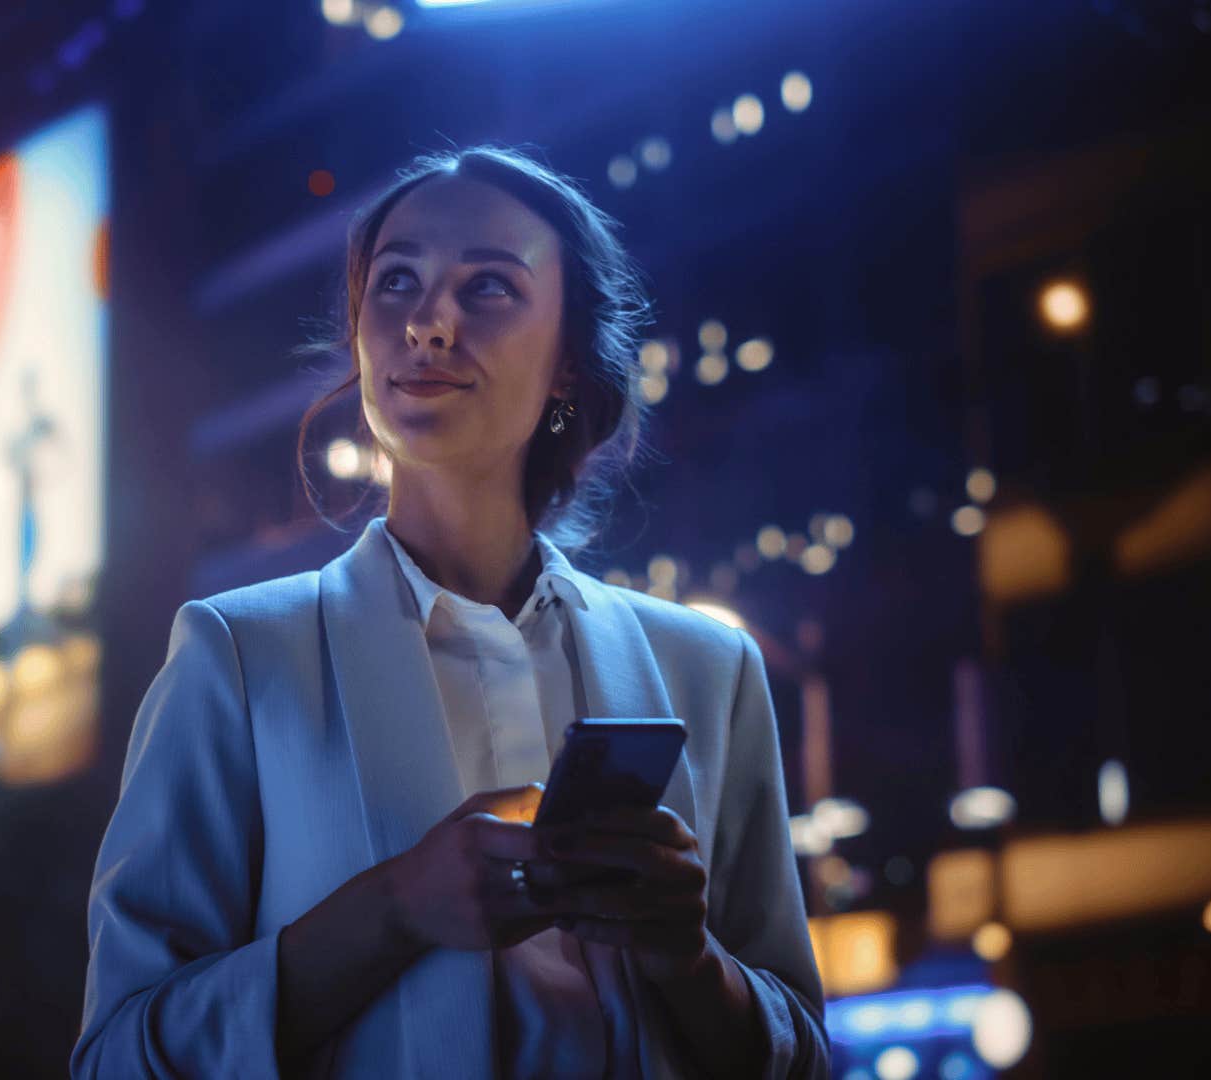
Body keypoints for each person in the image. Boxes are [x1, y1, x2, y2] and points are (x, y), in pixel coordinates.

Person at [71, 146, 827, 1079]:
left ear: (566, 364)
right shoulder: (235, 656)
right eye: (396, 282)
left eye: (491, 289)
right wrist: (392, 910)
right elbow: (117, 1058)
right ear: (357, 336)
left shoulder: (711, 670)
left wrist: (687, 957)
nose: (428, 322)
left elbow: (802, 1058)